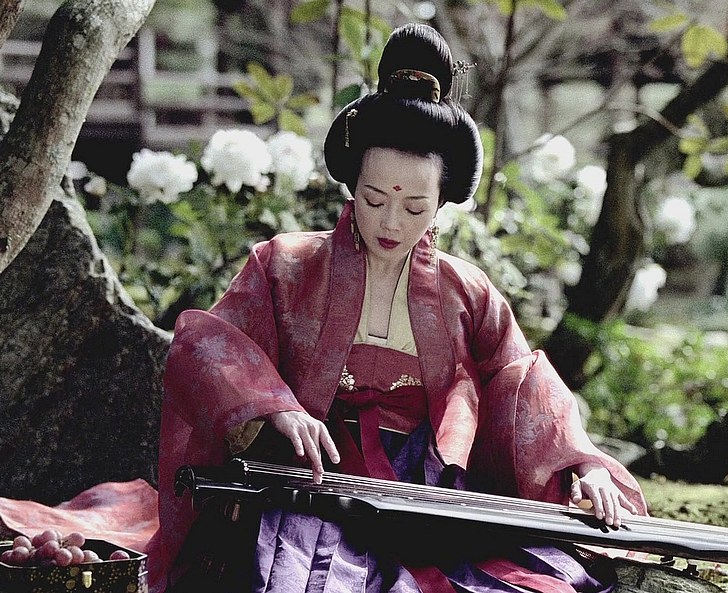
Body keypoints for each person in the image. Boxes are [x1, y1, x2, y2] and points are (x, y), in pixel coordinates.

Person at [146, 22, 647, 593]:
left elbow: (522, 384)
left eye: (414, 207)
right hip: (313, 481)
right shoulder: (284, 265)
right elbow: (208, 343)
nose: (390, 222)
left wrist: (581, 464)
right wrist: (273, 406)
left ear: (442, 201)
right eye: (374, 199)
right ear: (352, 184)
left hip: (427, 490)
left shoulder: (467, 292)